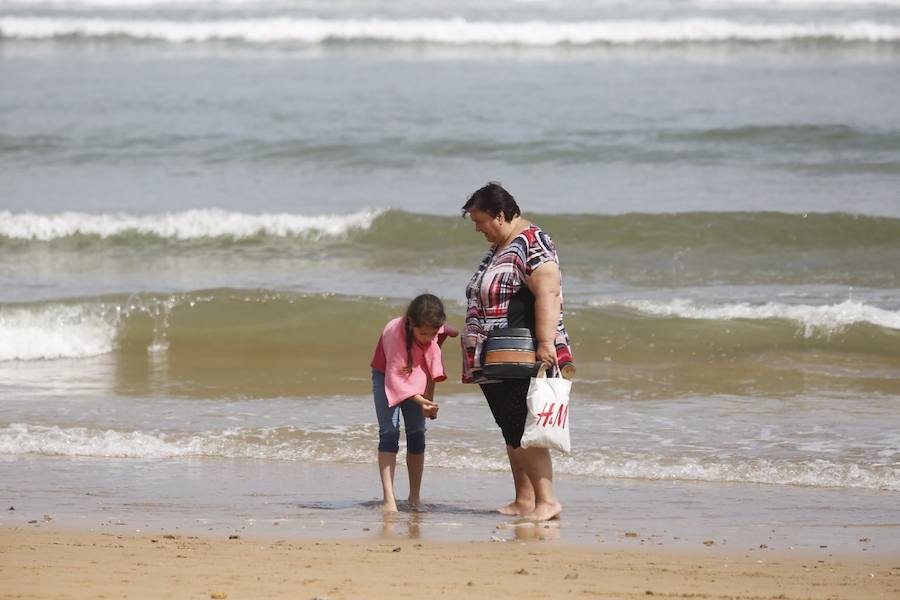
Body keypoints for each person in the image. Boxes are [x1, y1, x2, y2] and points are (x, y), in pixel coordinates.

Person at [461, 182, 574, 522]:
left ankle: (548, 501)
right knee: (511, 429)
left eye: (481, 221)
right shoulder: (500, 246)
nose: (478, 228)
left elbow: (548, 291)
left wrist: (544, 342)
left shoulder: (531, 241)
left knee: (527, 428)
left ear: (500, 214)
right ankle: (525, 500)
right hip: (497, 356)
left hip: (521, 354)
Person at [370, 293, 458, 512]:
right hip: (386, 375)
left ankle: (414, 497)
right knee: (389, 432)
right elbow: (395, 379)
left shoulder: (434, 331)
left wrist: (428, 400)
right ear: (410, 323)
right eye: (422, 332)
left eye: (432, 333)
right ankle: (389, 500)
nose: (427, 338)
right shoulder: (395, 333)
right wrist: (422, 401)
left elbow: (431, 369)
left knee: (417, 432)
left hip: (415, 371)